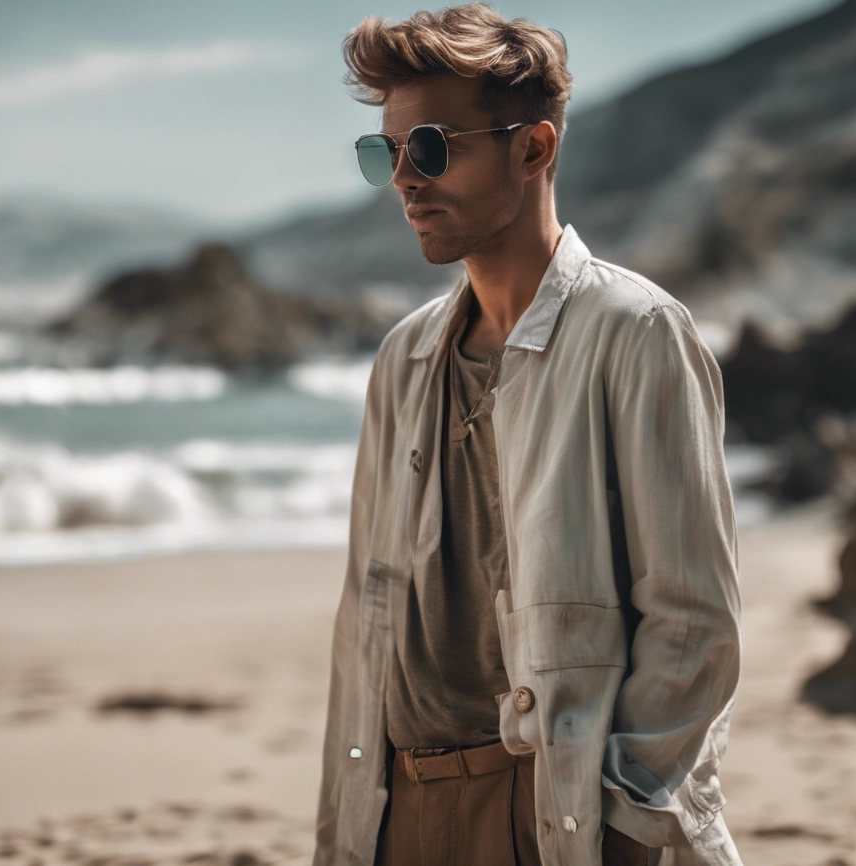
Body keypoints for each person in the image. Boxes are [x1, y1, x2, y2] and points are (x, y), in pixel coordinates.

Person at [313, 5, 744, 865]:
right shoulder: (405, 357)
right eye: (385, 152)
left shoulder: (636, 332)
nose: (404, 179)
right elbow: (367, 616)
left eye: (432, 147)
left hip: (554, 805)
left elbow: (694, 621)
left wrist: (626, 822)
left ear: (534, 148)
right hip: (399, 805)